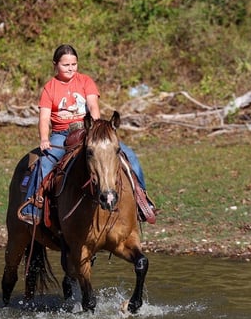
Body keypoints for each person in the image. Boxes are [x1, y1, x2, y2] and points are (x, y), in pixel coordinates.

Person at [20, 44, 155, 224]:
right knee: (44, 162)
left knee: (128, 154)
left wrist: (96, 129)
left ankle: (142, 200)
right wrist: (45, 139)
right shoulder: (49, 88)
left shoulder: (85, 81)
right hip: (62, 134)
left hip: (87, 130)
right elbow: (44, 119)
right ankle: (33, 207)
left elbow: (92, 106)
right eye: (65, 65)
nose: (70, 68)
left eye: (73, 64)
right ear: (55, 65)